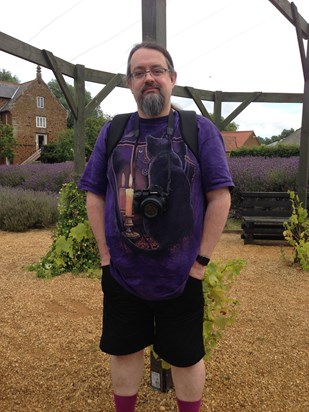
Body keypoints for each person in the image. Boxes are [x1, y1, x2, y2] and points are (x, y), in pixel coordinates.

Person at [78, 41, 234, 412]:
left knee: (186, 357)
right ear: (130, 83)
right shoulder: (113, 131)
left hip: (181, 275)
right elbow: (95, 194)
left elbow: (220, 196)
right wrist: (105, 255)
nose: (148, 78)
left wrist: (200, 263)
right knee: (124, 350)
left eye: (156, 70)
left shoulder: (199, 130)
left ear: (172, 78)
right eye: (139, 72)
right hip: (122, 273)